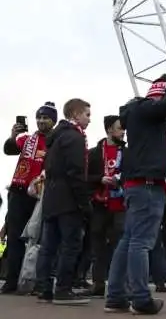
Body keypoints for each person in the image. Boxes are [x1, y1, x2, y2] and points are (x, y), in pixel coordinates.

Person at [105, 75, 166, 315]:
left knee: (129, 240)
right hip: (148, 186)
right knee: (140, 242)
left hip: (139, 186)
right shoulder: (145, 109)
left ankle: (116, 296)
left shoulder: (147, 120)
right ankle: (140, 298)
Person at [34, 98, 93, 305]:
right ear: (75, 114)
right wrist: (84, 203)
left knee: (49, 245)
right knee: (71, 245)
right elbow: (76, 172)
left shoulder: (55, 138)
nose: (89, 119)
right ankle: (63, 289)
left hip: (51, 197)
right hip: (68, 199)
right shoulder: (74, 138)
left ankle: (44, 288)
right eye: (87, 114)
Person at [1, 101, 57, 294]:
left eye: (46, 118)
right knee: (15, 237)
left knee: (38, 239)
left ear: (53, 121)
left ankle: (36, 282)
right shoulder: (27, 138)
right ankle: (11, 281)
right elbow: (9, 150)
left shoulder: (55, 140)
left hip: (39, 196)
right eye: (39, 118)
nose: (41, 121)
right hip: (17, 192)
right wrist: (13, 135)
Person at [85, 115, 127, 298]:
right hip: (99, 204)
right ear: (109, 129)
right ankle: (98, 283)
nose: (123, 131)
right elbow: (84, 177)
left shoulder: (127, 152)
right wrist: (99, 179)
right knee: (98, 246)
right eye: (120, 128)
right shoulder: (94, 153)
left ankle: (120, 284)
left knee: (120, 245)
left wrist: (120, 181)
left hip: (120, 205)